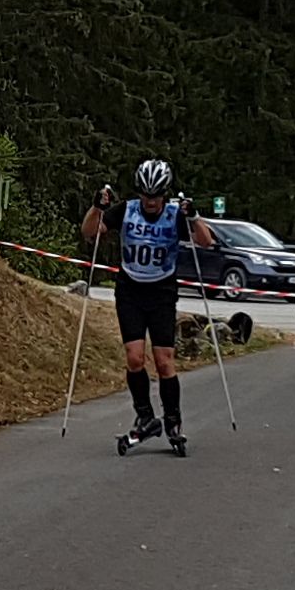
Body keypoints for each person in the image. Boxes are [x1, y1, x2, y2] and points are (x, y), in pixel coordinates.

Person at [81, 157, 217, 453]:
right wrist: (96, 207)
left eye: (156, 195)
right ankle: (145, 416)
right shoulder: (127, 210)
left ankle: (173, 420)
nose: (150, 201)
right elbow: (90, 231)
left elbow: (206, 242)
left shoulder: (174, 214)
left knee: (164, 360)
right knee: (134, 358)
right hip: (130, 290)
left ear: (165, 193)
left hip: (162, 292)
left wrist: (194, 217)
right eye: (145, 194)